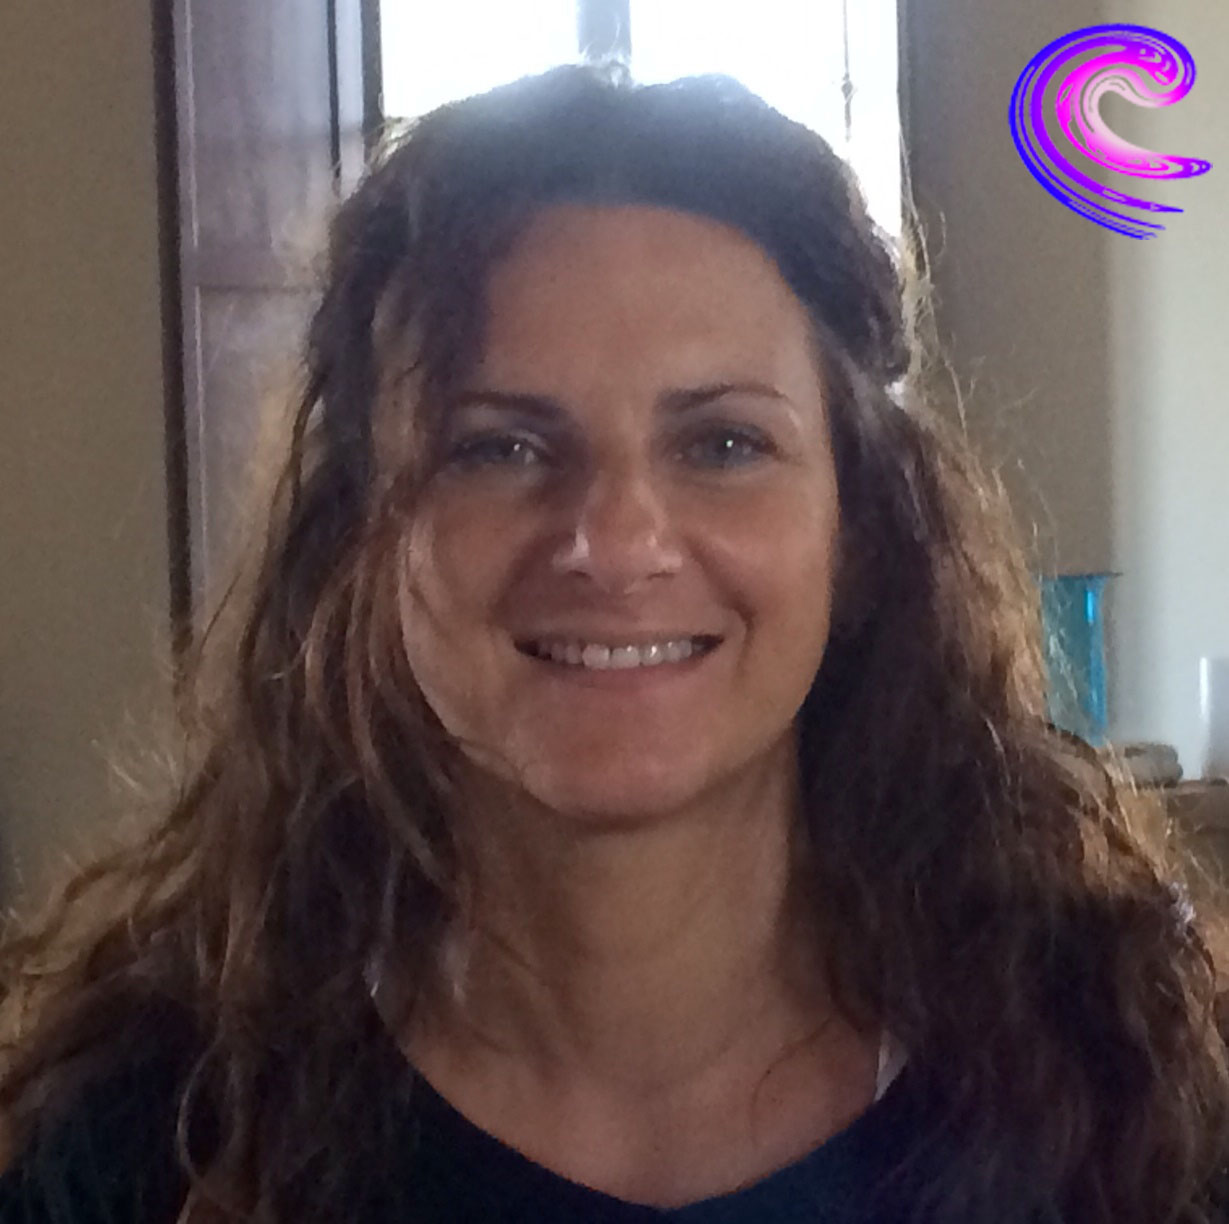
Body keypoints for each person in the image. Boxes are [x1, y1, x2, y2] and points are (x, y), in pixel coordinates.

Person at [0, 59, 1226, 1224]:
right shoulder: (152, 1138)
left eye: (723, 445)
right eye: (499, 448)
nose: (614, 541)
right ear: (361, 541)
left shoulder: (1120, 1096)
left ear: (859, 529)